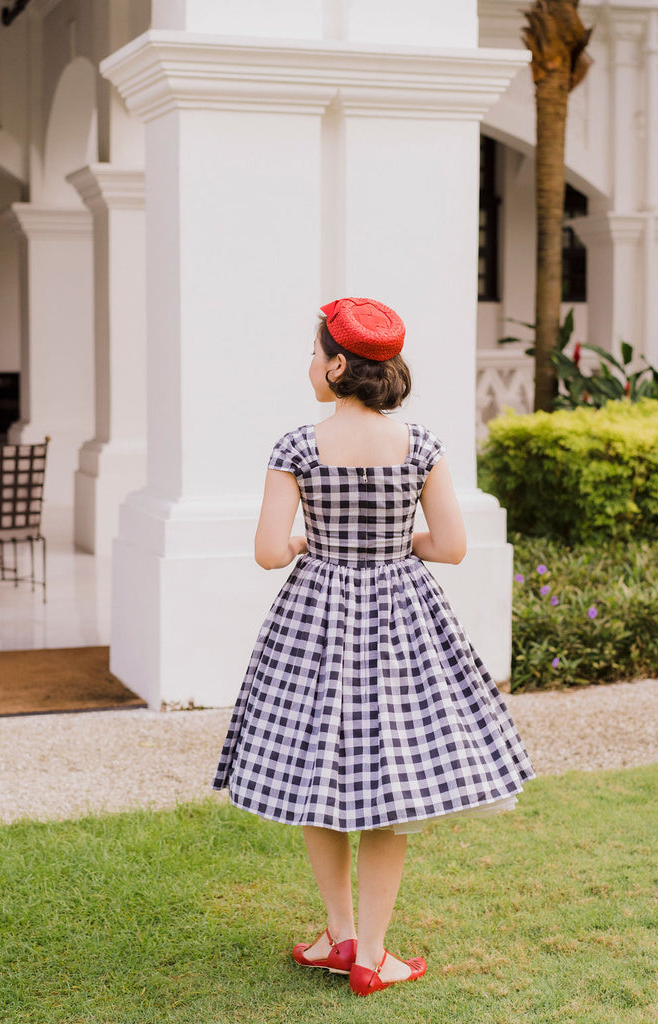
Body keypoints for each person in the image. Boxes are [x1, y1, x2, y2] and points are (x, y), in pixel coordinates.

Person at [213, 297, 535, 997]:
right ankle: (373, 955)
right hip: (399, 618)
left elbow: (270, 552)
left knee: (317, 779)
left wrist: (311, 542)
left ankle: (339, 934)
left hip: (316, 620)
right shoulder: (419, 444)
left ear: (335, 364)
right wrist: (392, 544)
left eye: (313, 350)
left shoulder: (296, 445)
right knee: (392, 783)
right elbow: (449, 546)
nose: (309, 362)